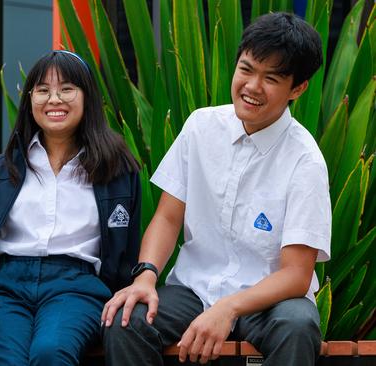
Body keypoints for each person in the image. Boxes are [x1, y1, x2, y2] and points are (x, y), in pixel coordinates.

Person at [102, 12, 331, 366]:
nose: (252, 87)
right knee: (127, 319)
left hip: (269, 302)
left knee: (298, 324)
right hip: (195, 289)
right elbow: (167, 217)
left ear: (297, 89)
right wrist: (145, 277)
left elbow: (296, 275)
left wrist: (228, 308)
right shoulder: (201, 127)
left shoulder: (305, 160)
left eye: (271, 78)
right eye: (246, 69)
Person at [0, 50, 141, 365]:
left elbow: (127, 248)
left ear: (87, 97)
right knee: (6, 361)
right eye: (42, 90)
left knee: (51, 353)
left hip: (75, 286)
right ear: (30, 100)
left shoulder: (117, 169)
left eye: (67, 89)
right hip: (5, 286)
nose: (54, 99)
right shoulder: (2, 169)